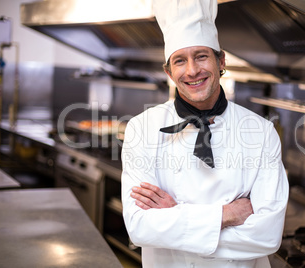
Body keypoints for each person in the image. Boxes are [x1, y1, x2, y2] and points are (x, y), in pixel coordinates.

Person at [121, 0, 289, 267]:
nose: (192, 70)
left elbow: (266, 237)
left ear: (221, 60)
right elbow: (140, 227)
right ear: (168, 72)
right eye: (180, 61)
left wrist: (175, 220)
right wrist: (226, 214)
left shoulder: (261, 132)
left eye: (201, 56)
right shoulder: (141, 129)